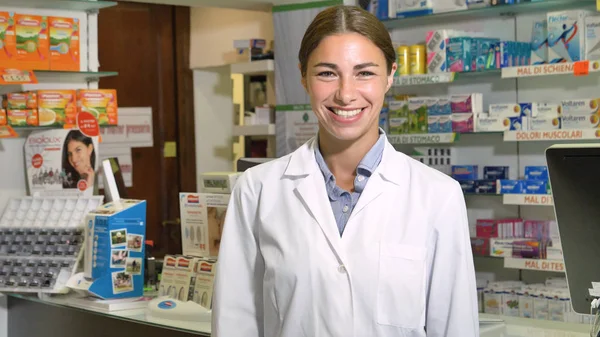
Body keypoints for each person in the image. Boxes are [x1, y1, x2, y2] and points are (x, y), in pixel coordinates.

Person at [212, 5, 479, 337]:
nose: (346, 93)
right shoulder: (257, 190)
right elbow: (235, 323)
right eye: (327, 73)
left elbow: (456, 327)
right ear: (303, 77)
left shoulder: (438, 196)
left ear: (391, 75)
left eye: (364, 72)